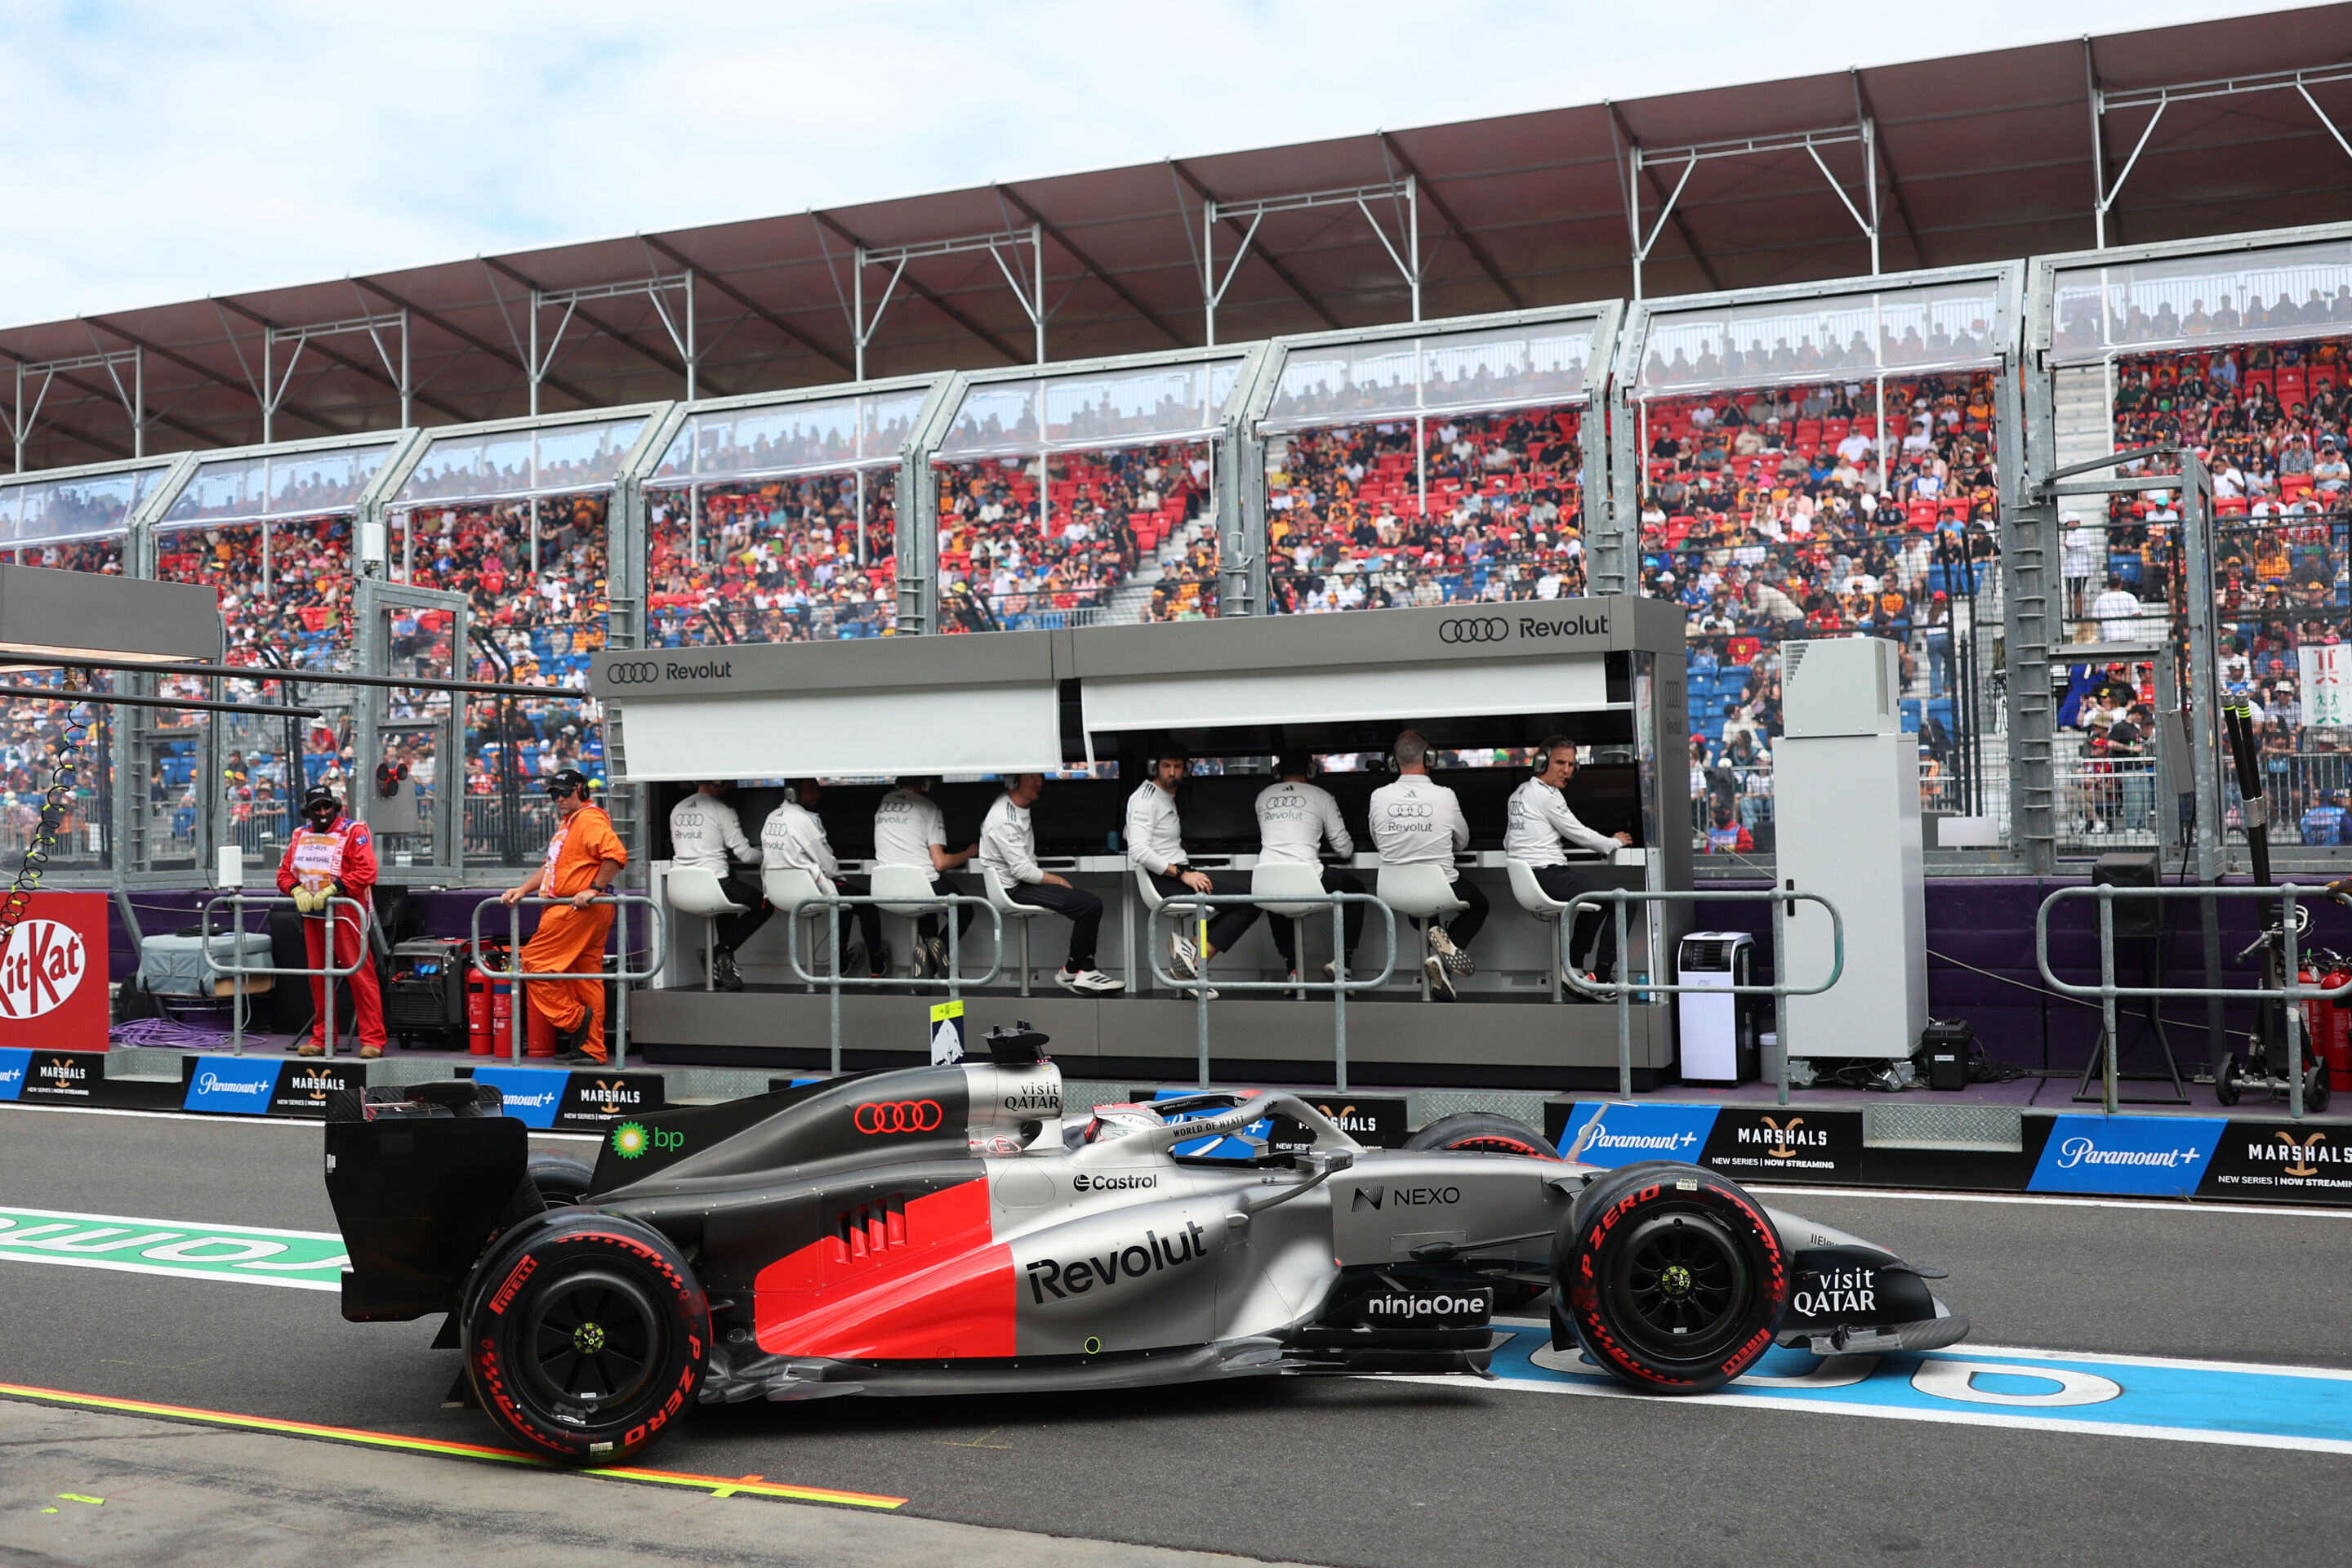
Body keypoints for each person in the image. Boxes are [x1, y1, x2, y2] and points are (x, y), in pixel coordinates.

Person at [499, 768, 626, 1065]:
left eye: (565, 793)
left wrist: (594, 889)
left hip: (576, 909)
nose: (559, 799)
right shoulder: (570, 824)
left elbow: (616, 854)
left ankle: (576, 1020)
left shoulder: (589, 819)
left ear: (581, 791)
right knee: (586, 979)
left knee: (534, 965)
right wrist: (523, 889)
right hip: (583, 908)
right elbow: (551, 867)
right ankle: (591, 1049)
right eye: (555, 794)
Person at [1126, 742, 1260, 987]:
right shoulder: (1145, 799)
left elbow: (1156, 839)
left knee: (1244, 902)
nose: (1172, 773)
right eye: (1166, 766)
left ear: (1186, 769)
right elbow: (1138, 850)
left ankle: (1192, 959)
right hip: (1166, 881)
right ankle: (1193, 950)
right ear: (1156, 767)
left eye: (1178, 767)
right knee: (1248, 904)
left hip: (1176, 873)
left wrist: (1178, 848)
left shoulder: (1165, 796)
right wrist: (1182, 875)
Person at [1503, 738, 1633, 989]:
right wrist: (1612, 843)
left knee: (1596, 897)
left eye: (1572, 764)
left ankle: (1573, 968)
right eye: (1561, 762)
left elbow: (1508, 842)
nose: (1567, 770)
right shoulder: (1547, 796)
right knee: (1625, 900)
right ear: (1541, 762)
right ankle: (1602, 977)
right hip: (1547, 877)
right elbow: (1579, 833)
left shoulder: (1518, 793)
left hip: (1532, 878)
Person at [979, 773, 1122, 995]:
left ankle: (1084, 969)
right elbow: (1022, 870)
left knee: (1089, 904)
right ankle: (1074, 971)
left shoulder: (1015, 805)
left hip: (1021, 883)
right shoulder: (1004, 818)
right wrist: (1057, 879)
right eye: (1032, 778)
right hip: (1013, 889)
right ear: (1015, 781)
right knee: (1090, 905)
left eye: (1040, 777)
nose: (1039, 783)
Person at [1369, 729, 1486, 1000]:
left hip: (1395, 889)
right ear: (1429, 758)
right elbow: (1463, 840)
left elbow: (1377, 839)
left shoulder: (1378, 796)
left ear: (1394, 762)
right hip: (1439, 886)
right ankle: (1443, 957)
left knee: (1419, 909)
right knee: (1479, 904)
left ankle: (1438, 956)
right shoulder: (1445, 795)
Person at [274, 785, 385, 1058]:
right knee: (319, 979)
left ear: (335, 805)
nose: (323, 812)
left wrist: (334, 889)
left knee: (361, 976)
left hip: (347, 915)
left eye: (327, 806)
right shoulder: (299, 835)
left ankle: (373, 1040)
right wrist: (295, 890)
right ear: (308, 811)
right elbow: (283, 873)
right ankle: (323, 1039)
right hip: (313, 917)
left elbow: (367, 871)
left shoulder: (354, 830)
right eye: (317, 808)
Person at [1253, 751, 1365, 982]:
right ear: (1312, 770)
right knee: (1356, 891)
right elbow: (1344, 850)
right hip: (1308, 882)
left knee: (1278, 899)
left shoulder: (1263, 796)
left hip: (1267, 883)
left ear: (1277, 772)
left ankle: (1293, 971)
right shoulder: (1321, 796)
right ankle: (1342, 967)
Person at [760, 779, 887, 978]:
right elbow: (825, 860)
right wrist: (839, 877)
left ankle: (840, 962)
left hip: (778, 893)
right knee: (866, 902)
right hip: (808, 892)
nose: (818, 795)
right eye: (812, 790)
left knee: (843, 897)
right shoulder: (804, 819)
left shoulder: (771, 817)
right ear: (793, 792)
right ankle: (877, 965)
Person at [667, 781, 766, 991]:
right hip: (717, 885)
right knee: (765, 905)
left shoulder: (678, 808)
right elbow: (745, 855)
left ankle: (721, 969)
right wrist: (772, 856)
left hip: (682, 887)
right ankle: (719, 951)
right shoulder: (722, 809)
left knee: (727, 908)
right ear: (718, 781)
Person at [874, 775, 976, 978]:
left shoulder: (885, 802)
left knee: (924, 909)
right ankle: (934, 957)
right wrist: (969, 852)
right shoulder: (929, 807)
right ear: (926, 783)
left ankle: (927, 964)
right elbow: (940, 862)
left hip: (885, 887)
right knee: (965, 910)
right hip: (921, 885)